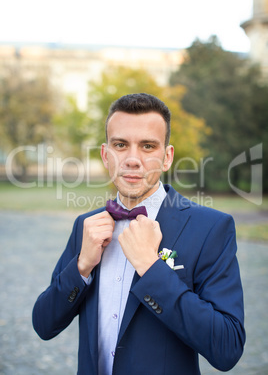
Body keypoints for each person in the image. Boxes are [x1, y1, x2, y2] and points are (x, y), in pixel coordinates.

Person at [33, 93, 245, 375]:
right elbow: (44, 325)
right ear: (105, 155)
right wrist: (82, 266)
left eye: (147, 146)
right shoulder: (86, 225)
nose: (133, 159)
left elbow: (227, 348)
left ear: (167, 157)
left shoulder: (210, 228)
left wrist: (151, 267)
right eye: (121, 145)